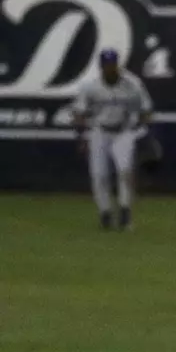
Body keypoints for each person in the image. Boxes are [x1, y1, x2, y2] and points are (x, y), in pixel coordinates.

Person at [72, 48, 153, 231]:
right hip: (99, 132)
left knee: (125, 171)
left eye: (113, 64)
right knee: (99, 175)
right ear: (101, 67)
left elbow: (146, 110)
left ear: (118, 65)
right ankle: (105, 212)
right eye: (107, 65)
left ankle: (125, 211)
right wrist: (81, 136)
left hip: (124, 132)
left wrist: (142, 132)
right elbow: (79, 113)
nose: (110, 68)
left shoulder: (132, 84)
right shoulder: (90, 86)